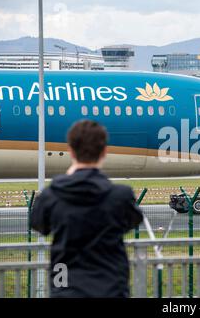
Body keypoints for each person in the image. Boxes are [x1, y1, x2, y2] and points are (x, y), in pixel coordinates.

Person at [31, 120, 143, 297]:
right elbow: (133, 220)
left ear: (71, 151)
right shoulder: (120, 196)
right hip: (110, 287)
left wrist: (66, 179)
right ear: (105, 151)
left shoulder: (52, 195)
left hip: (65, 288)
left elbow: (38, 224)